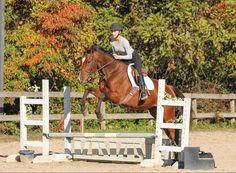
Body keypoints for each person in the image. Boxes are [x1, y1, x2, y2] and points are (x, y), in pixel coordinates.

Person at [109, 23, 147, 101]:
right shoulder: (111, 41)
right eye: (112, 31)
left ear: (119, 32)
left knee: (138, 72)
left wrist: (119, 57)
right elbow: (114, 53)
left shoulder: (124, 41)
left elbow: (129, 56)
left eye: (114, 31)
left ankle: (143, 91)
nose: (113, 33)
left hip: (133, 57)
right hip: (123, 59)